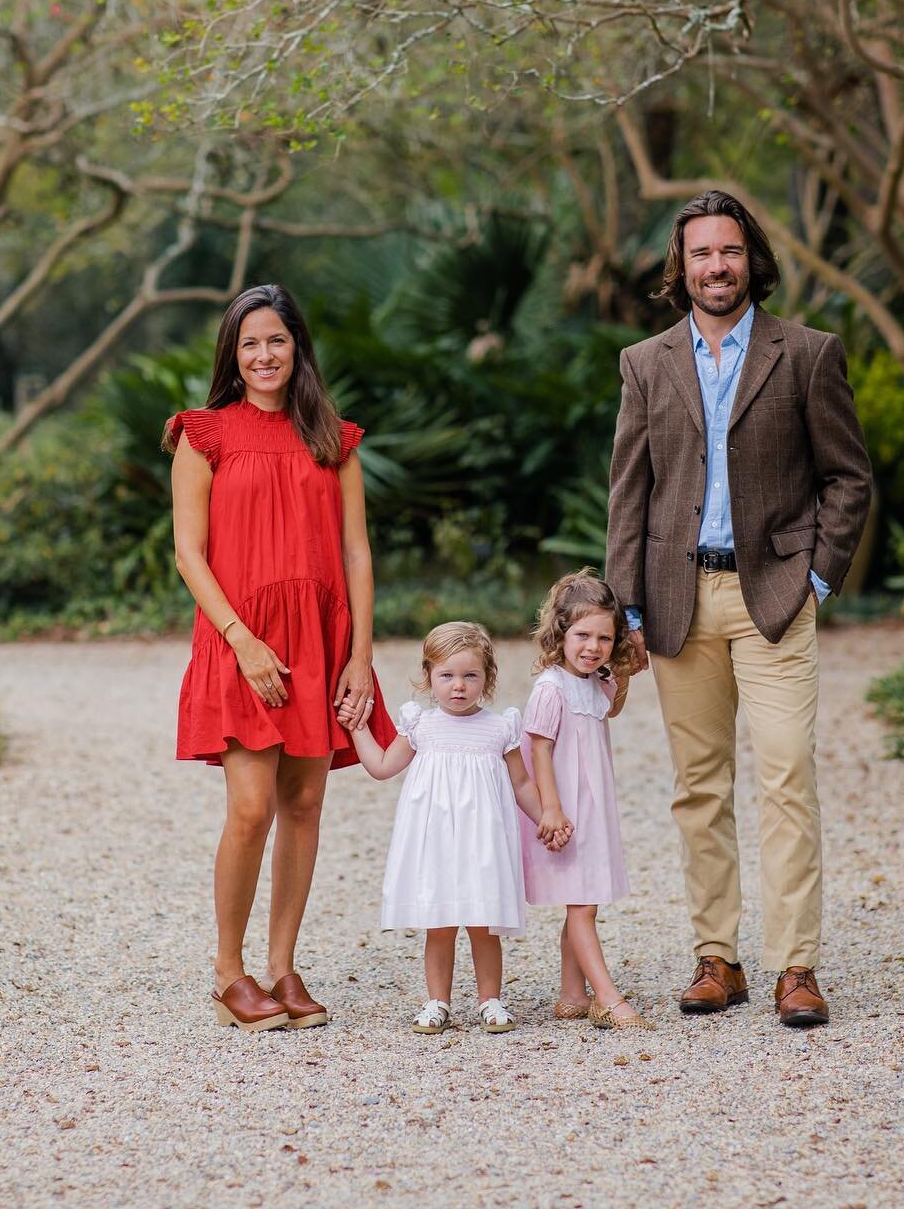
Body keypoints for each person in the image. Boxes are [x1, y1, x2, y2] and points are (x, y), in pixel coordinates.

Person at [606, 189, 871, 1027]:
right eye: (699, 255)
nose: (715, 267)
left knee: (788, 772)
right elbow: (630, 493)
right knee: (699, 787)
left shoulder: (808, 354)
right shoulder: (646, 363)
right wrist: (627, 613)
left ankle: (797, 965)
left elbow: (848, 478)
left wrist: (817, 579)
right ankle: (715, 956)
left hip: (775, 596)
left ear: (752, 259)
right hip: (678, 599)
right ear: (678, 269)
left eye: (728, 252)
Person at [166, 282, 397, 1032]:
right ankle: (229, 971)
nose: (265, 355)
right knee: (250, 806)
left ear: (298, 348)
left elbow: (358, 554)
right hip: (243, 641)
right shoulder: (204, 435)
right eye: (250, 343)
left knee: (305, 804)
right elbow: (188, 553)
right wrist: (241, 640)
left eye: (277, 340)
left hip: (320, 641)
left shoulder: (334, 438)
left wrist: (359, 655)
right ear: (233, 356)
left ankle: (283, 966)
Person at [347, 621, 569, 1034]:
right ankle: (437, 1001)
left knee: (484, 924)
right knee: (441, 923)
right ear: (428, 676)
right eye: (447, 675)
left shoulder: (499, 727)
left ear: (487, 679)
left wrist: (546, 817)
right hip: (436, 841)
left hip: (483, 841)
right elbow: (381, 767)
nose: (458, 686)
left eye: (471, 676)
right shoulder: (421, 725)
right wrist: (358, 729)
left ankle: (491, 1001)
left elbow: (521, 782)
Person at [519, 570, 651, 1030]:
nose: (591, 647)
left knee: (582, 901)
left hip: (594, 807)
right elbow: (539, 748)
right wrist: (550, 808)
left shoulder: (596, 683)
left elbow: (613, 701)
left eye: (603, 638)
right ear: (560, 633)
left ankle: (571, 994)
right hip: (567, 805)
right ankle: (608, 998)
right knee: (582, 904)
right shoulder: (551, 687)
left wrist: (626, 663)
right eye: (581, 635)